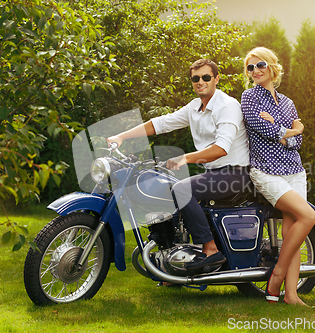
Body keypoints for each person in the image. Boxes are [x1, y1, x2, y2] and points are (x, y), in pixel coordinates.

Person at [107, 59, 250, 272]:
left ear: (216, 79)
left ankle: (211, 250)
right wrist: (122, 136)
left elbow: (221, 148)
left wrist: (185, 158)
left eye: (206, 77)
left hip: (235, 175)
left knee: (181, 188)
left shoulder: (228, 106)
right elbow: (162, 123)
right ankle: (170, 261)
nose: (200, 82)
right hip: (214, 173)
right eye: (195, 78)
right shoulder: (195, 107)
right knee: (169, 192)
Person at [240, 47, 315, 306]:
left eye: (260, 65)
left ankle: (291, 295)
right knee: (308, 215)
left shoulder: (287, 102)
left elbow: (297, 141)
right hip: (266, 170)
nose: (255, 71)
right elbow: (262, 128)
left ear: (272, 67)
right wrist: (291, 130)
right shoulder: (249, 97)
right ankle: (278, 276)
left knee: (292, 228)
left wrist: (285, 131)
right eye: (250, 68)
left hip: (294, 171)